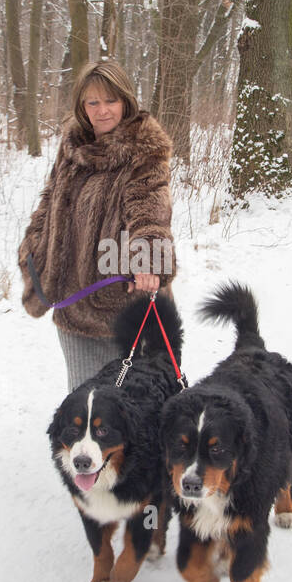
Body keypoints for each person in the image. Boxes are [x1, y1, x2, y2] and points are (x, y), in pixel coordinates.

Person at [18, 61, 178, 391]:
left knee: (129, 411)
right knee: (83, 402)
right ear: (82, 106)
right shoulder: (73, 146)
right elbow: (51, 200)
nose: (102, 111)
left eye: (111, 101)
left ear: (126, 102)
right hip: (71, 302)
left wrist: (149, 263)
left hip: (123, 306)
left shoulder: (143, 149)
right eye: (93, 102)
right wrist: (34, 247)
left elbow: (151, 210)